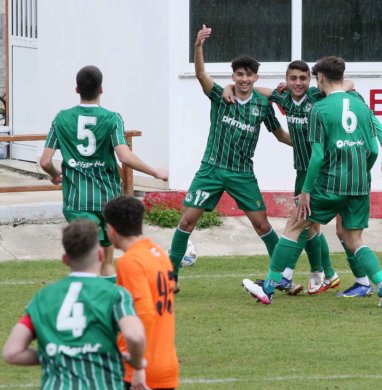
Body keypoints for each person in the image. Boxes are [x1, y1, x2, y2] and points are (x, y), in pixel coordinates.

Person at [242, 56, 382, 308]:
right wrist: (361, 171)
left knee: (294, 225)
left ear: (320, 78)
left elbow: (318, 156)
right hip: (359, 184)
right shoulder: (359, 103)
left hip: (329, 182)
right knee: (354, 238)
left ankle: (269, 288)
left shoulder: (319, 109)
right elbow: (371, 148)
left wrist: (306, 191)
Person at [169, 25, 291, 293]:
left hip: (242, 173)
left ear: (256, 77)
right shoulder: (221, 96)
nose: (244, 79)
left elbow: (280, 134)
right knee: (187, 220)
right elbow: (201, 74)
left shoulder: (262, 106)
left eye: (249, 75)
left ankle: (281, 278)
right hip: (211, 169)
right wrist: (198, 46)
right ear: (233, 76)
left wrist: (307, 144)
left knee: (262, 225)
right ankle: (171, 278)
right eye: (239, 75)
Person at [40, 65, 168, 281]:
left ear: (76, 89)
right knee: (107, 262)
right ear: (101, 89)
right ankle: (111, 304)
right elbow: (125, 157)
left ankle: (90, 305)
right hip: (107, 200)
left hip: (77, 200)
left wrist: (53, 173)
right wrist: (154, 172)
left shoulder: (61, 118)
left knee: (85, 263)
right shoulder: (112, 119)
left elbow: (45, 161)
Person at [2, 220, 149, 390]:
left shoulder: (43, 298)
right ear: (101, 255)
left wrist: (54, 355)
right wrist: (137, 364)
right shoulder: (115, 294)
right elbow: (135, 336)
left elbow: (11, 353)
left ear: (65, 259)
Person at [105, 196, 179, 390]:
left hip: (141, 370)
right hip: (166, 365)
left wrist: (138, 368)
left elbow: (144, 314)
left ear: (111, 230)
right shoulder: (159, 254)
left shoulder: (130, 262)